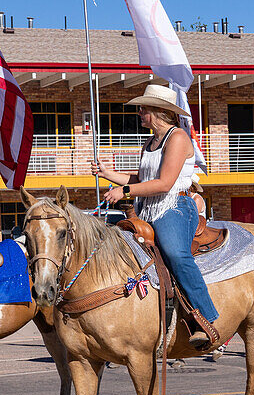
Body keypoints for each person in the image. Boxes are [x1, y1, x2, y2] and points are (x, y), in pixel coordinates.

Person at [92, 84, 220, 349]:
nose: (139, 113)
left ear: (159, 111)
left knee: (175, 254)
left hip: (174, 207)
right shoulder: (151, 141)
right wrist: (108, 174)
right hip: (148, 208)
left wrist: (123, 191)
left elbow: (163, 183)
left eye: (143, 108)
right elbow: (142, 179)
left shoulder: (178, 138)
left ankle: (207, 319)